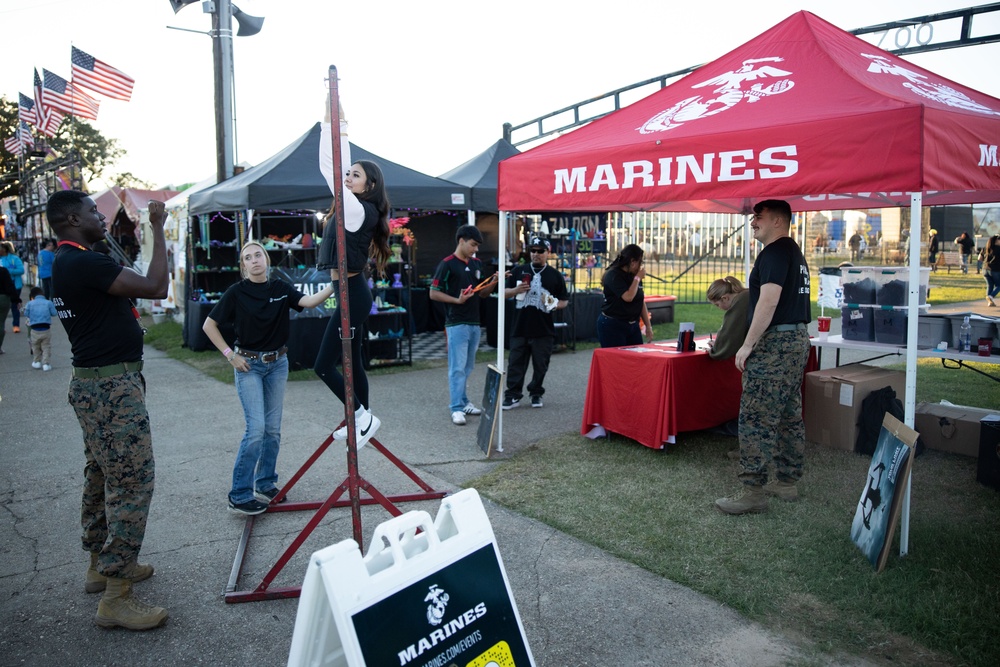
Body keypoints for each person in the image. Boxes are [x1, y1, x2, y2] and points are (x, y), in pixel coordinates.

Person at [47, 190, 169, 630]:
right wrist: (157, 228)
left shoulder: (66, 261)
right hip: (110, 390)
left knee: (101, 473)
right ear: (71, 219)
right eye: (92, 212)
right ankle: (117, 596)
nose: (101, 216)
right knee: (133, 482)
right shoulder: (83, 262)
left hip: (99, 384)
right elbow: (157, 287)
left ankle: (100, 566)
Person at [203, 241, 336, 516]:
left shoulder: (280, 288)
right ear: (243, 266)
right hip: (248, 366)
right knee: (256, 430)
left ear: (266, 259)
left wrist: (337, 283)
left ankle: (265, 483)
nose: (254, 260)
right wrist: (230, 355)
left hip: (277, 364)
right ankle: (239, 494)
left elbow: (308, 302)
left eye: (258, 255)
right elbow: (209, 325)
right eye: (248, 258)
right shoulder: (236, 293)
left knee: (272, 430)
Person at [716, 199, 811, 516]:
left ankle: (753, 491)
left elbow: (768, 303)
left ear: (779, 221)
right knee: (788, 412)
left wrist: (747, 344)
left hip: (776, 344)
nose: (753, 221)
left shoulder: (773, 253)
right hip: (796, 339)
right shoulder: (793, 252)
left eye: (760, 216)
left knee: (755, 417)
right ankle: (786, 481)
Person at [313, 157, 392, 450]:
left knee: (322, 366)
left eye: (354, 175)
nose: (347, 177)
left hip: (353, 294)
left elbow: (329, 166)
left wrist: (335, 128)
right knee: (353, 361)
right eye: (347, 173)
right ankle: (363, 419)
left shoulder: (359, 208)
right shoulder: (350, 208)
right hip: (347, 291)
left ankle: (361, 416)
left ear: (369, 185)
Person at [429, 225, 498, 426]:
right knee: (457, 368)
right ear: (461, 241)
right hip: (456, 323)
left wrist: (493, 281)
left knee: (467, 367)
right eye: (473, 245)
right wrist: (457, 300)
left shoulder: (477, 264)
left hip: (475, 323)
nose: (475, 249)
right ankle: (456, 408)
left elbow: (483, 294)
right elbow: (433, 293)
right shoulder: (447, 264)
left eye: (477, 246)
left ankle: (463, 401)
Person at [501, 236, 569, 410]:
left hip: (543, 329)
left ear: (548, 252)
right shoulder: (518, 270)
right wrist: (515, 290)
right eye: (533, 251)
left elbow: (564, 300)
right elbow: (503, 293)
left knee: (541, 364)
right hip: (520, 327)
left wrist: (554, 304)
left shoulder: (555, 275)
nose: (536, 254)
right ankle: (512, 395)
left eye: (540, 251)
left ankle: (536, 393)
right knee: (516, 363)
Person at [596, 244, 653, 348]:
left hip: (632, 324)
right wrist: (637, 279)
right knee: (617, 360)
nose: (641, 266)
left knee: (636, 359)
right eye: (640, 262)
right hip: (613, 324)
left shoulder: (635, 277)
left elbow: (640, 300)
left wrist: (648, 325)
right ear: (632, 262)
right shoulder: (613, 275)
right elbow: (628, 297)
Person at [705, 276, 749, 361]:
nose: (719, 307)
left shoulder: (740, 302)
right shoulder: (746, 295)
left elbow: (730, 331)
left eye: (717, 304)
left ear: (725, 298)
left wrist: (717, 348)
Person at [24, 285, 57, 371]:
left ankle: (36, 362)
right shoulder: (48, 302)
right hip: (46, 328)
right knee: (46, 346)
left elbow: (26, 314)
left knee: (35, 346)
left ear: (32, 296)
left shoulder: (30, 304)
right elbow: (54, 313)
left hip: (34, 329)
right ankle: (46, 364)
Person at [0, 241, 24, 333]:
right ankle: (2, 326)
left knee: (14, 306)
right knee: (3, 308)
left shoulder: (15, 258)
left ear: (4, 250)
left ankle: (16, 325)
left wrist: (7, 271)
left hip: (15, 285)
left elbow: (21, 270)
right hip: (2, 288)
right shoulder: (0, 259)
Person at [0, 264, 15, 354]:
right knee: (1, 323)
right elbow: (10, 285)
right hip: (4, 298)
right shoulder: (3, 271)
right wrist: (16, 300)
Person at [982, 234, 1000, 307]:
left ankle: (990, 302)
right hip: (995, 270)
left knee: (990, 285)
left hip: (985, 269)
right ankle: (991, 296)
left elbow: (980, 258)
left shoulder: (987, 247)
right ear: (997, 241)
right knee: (999, 285)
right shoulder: (999, 249)